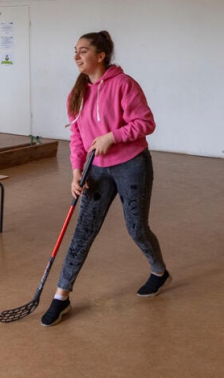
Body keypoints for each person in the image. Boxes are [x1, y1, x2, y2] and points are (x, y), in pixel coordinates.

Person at [41, 30, 170, 327]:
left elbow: (146, 123)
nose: (77, 55)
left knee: (136, 228)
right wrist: (76, 170)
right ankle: (61, 296)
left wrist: (112, 136)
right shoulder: (76, 93)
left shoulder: (124, 85)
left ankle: (159, 271)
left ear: (101, 56)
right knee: (83, 231)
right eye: (75, 50)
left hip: (131, 165)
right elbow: (76, 137)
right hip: (95, 169)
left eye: (83, 50)